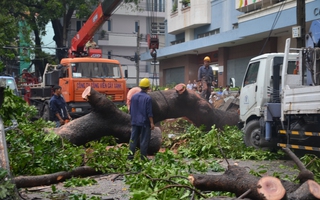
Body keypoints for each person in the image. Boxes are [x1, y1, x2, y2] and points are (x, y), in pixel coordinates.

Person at [128, 78, 155, 160]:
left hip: (135, 122)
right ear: (148, 87)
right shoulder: (148, 98)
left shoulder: (134, 97)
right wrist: (152, 123)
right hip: (144, 123)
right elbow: (149, 112)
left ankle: (130, 158)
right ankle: (143, 158)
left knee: (133, 140)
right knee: (144, 141)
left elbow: (131, 110)